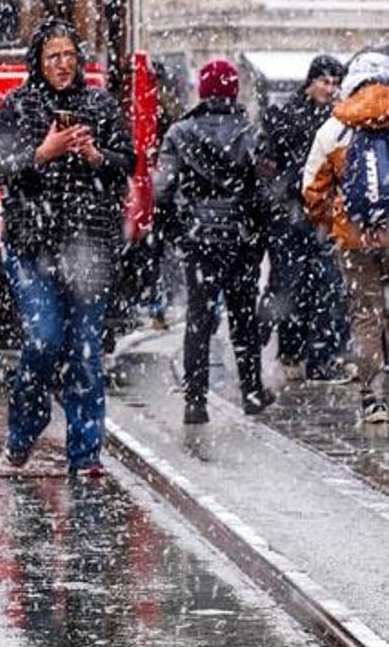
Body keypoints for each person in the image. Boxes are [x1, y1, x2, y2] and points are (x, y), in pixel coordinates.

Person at [0, 19, 135, 477]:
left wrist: (96, 158)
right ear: (38, 62)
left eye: (70, 55)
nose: (63, 64)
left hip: (89, 245)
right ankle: (25, 428)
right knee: (43, 339)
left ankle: (85, 455)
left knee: (87, 351)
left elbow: (125, 163)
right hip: (32, 245)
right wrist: (43, 152)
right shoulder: (18, 105)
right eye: (53, 56)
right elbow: (0, 168)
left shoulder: (101, 104)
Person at [154, 58, 273, 425]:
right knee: (243, 318)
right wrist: (255, 234)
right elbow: (264, 192)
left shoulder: (180, 132)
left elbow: (161, 190)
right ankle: (251, 392)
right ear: (234, 90)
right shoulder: (251, 133)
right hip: (239, 238)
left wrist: (178, 232)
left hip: (200, 240)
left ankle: (195, 400)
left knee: (199, 320)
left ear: (203, 91)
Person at [302, 50, 389, 425]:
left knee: (366, 314)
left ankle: (374, 397)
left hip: (354, 237)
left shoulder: (335, 126)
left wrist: (334, 223)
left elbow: (312, 189)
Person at [256, 54, 348, 381]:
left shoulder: (339, 119)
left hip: (322, 217)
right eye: (325, 81)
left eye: (335, 83)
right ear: (310, 82)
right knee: (290, 285)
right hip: (290, 216)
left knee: (325, 287)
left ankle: (320, 360)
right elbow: (267, 166)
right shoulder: (283, 116)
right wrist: (284, 195)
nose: (330, 88)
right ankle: (291, 351)